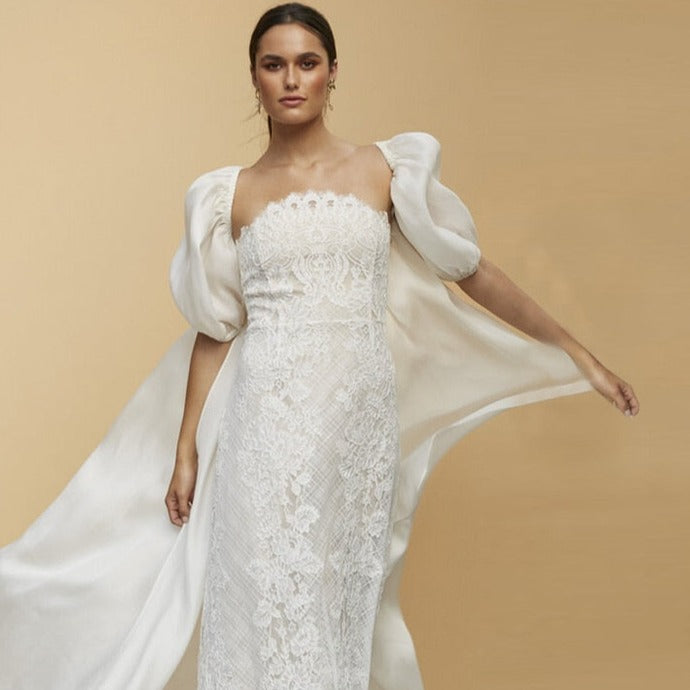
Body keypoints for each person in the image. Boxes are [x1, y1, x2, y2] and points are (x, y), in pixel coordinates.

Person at [0, 3, 638, 690]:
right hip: (266, 428)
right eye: (274, 64)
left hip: (358, 433)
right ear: (254, 77)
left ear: (333, 72)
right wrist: (186, 449)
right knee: (270, 604)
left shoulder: (383, 170)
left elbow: (471, 270)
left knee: (336, 609)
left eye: (307, 63)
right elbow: (217, 330)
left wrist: (577, 352)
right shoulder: (229, 196)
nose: (291, 79)